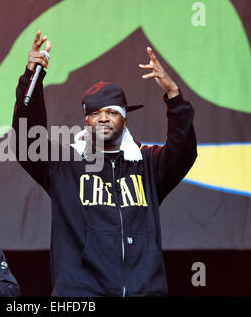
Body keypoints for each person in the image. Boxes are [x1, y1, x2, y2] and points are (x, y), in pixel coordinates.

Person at [12, 31, 197, 296]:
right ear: (86, 122)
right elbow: (26, 142)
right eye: (95, 113)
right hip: (81, 294)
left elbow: (184, 152)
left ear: (125, 119)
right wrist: (32, 77)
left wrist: (174, 95)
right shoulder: (65, 165)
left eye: (112, 112)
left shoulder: (147, 164)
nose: (103, 119)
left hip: (144, 291)